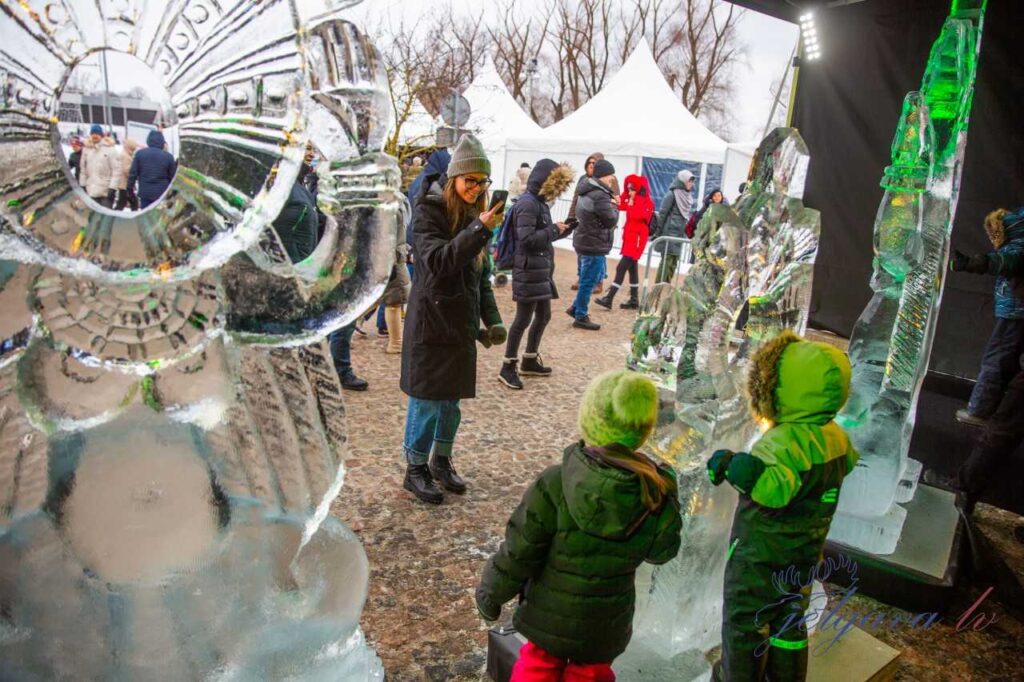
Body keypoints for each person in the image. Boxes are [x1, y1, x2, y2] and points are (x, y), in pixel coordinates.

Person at [476, 370, 682, 681]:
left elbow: (520, 550)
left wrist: (491, 593)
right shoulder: (651, 493)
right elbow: (661, 552)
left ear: (590, 420)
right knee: (591, 674)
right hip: (605, 625)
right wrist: (668, 497)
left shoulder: (555, 482)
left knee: (537, 666)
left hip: (548, 618)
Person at [707, 331, 857, 682]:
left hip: (760, 558)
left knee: (745, 624)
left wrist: (730, 464)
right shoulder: (836, 436)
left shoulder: (783, 442)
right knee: (790, 619)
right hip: (804, 553)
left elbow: (771, 491)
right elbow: (848, 462)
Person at [400, 134, 506, 504]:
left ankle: (441, 461)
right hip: (432, 323)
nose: (477, 189)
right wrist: (480, 230)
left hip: (460, 326)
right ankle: (415, 468)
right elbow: (438, 262)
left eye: (482, 182)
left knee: (451, 405)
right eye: (469, 181)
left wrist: (492, 320)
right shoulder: (428, 210)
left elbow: (480, 277)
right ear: (454, 178)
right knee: (427, 401)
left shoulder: (475, 217)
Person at [498, 159, 574, 390]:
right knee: (523, 319)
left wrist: (562, 230)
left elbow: (541, 235)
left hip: (540, 270)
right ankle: (507, 367)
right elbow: (527, 239)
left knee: (543, 315)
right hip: (529, 270)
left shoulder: (539, 203)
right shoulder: (529, 204)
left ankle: (529, 359)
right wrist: (553, 229)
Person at [949, 207, 1024, 427]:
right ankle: (1004, 412)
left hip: (1015, 314)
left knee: (996, 360)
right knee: (1009, 365)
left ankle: (979, 410)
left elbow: (1004, 261)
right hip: (1016, 312)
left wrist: (973, 263)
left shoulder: (1018, 245)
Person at [568, 159, 618, 331]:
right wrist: (615, 207)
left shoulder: (587, 189)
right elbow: (610, 220)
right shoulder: (600, 195)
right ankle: (581, 316)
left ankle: (575, 307)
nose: (612, 178)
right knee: (589, 281)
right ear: (603, 175)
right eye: (610, 175)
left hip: (585, 239)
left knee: (588, 278)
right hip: (593, 242)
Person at [595, 174, 654, 311]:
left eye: (632, 189)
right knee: (632, 269)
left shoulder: (646, 202)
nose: (630, 191)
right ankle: (634, 300)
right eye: (629, 189)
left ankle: (609, 298)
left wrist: (631, 202)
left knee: (621, 268)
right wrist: (620, 198)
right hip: (630, 238)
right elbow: (621, 206)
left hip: (636, 240)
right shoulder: (633, 200)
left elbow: (638, 215)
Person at [569, 153, 613, 294]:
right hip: (582, 221)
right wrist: (571, 217)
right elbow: (576, 199)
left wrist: (612, 215)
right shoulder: (583, 180)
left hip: (599, 225)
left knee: (598, 255)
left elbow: (613, 201)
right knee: (581, 250)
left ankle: (599, 281)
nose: (591, 165)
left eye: (594, 163)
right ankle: (581, 276)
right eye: (590, 162)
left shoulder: (610, 180)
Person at [652, 169, 695, 283]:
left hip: (679, 235)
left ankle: (666, 286)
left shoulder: (687, 196)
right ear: (682, 181)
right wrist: (657, 233)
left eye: (692, 181)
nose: (691, 183)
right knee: (666, 262)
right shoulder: (672, 194)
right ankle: (658, 287)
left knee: (674, 263)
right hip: (669, 233)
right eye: (689, 181)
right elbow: (662, 214)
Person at [127, 129, 176, 209]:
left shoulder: (140, 154)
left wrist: (129, 189)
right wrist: (173, 194)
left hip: (145, 193)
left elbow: (133, 174)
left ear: (148, 140)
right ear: (162, 142)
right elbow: (172, 178)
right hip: (162, 193)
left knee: (146, 215)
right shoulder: (168, 157)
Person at [78, 124, 119, 208]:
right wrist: (82, 185)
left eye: (97, 134)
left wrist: (112, 188)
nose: (95, 136)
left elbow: (116, 171)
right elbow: (83, 169)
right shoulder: (86, 150)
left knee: (105, 215)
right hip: (90, 190)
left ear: (101, 135)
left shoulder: (110, 150)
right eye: (93, 133)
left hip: (105, 192)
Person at [113, 139, 140, 211]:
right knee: (130, 202)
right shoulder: (126, 156)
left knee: (123, 201)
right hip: (125, 183)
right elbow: (126, 170)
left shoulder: (125, 154)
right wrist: (134, 174)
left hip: (123, 183)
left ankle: (115, 214)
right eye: (133, 148)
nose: (134, 149)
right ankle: (115, 214)